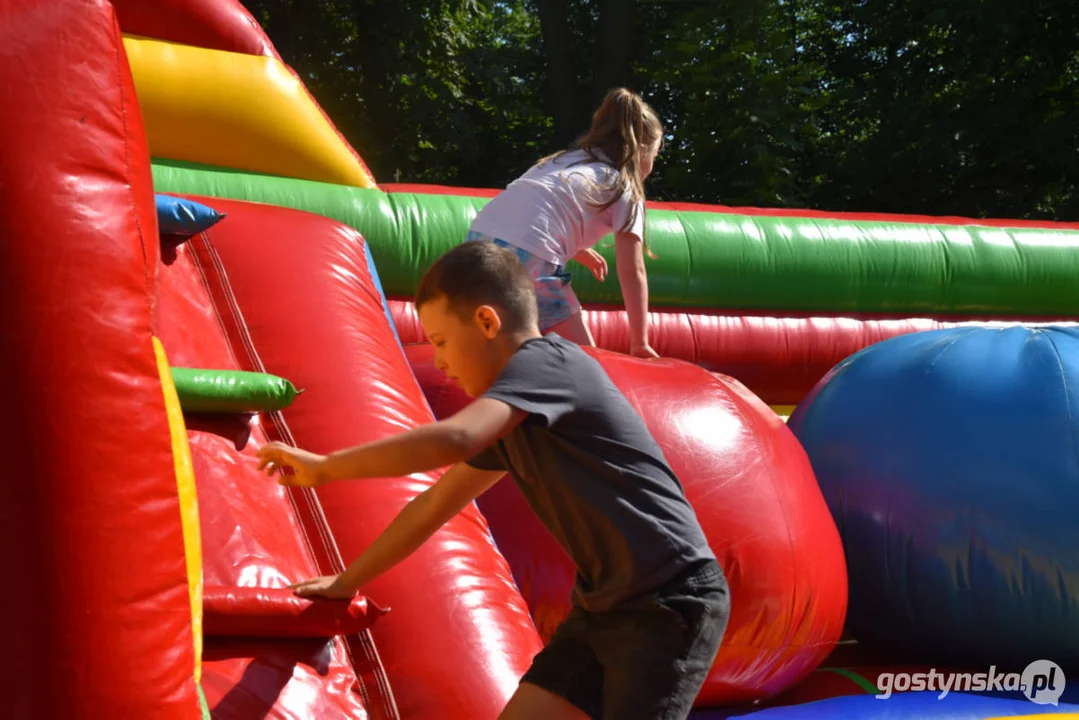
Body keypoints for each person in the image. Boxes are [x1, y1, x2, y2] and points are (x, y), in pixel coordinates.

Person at [256, 240, 730, 720]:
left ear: (487, 322)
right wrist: (347, 581)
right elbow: (431, 507)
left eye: (441, 341)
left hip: (668, 603)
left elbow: (457, 437)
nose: (439, 361)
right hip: (603, 608)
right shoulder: (517, 417)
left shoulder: (549, 365)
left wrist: (325, 467)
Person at [465, 87, 664, 359]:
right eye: (655, 153)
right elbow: (633, 272)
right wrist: (639, 342)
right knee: (585, 364)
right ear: (642, 150)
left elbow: (534, 208)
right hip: (529, 257)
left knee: (507, 352)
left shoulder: (562, 161)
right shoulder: (625, 186)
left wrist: (578, 251)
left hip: (477, 244)